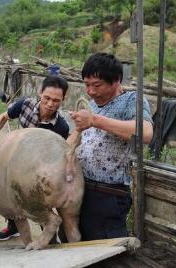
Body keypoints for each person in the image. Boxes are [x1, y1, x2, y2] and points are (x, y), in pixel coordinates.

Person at [68, 53, 153, 241]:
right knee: (74, 243)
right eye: (87, 84)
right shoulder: (91, 105)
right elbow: (73, 140)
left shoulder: (132, 100)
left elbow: (146, 133)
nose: (90, 91)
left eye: (96, 85)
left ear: (116, 80)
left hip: (109, 194)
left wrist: (95, 120)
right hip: (81, 188)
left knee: (104, 246)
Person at [0, 75, 70, 241]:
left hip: (38, 171)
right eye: (46, 98)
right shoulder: (25, 105)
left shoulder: (61, 127)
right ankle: (13, 227)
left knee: (41, 204)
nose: (50, 104)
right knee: (10, 197)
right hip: (14, 162)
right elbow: (2, 118)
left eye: (56, 101)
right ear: (40, 93)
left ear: (64, 99)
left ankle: (50, 238)